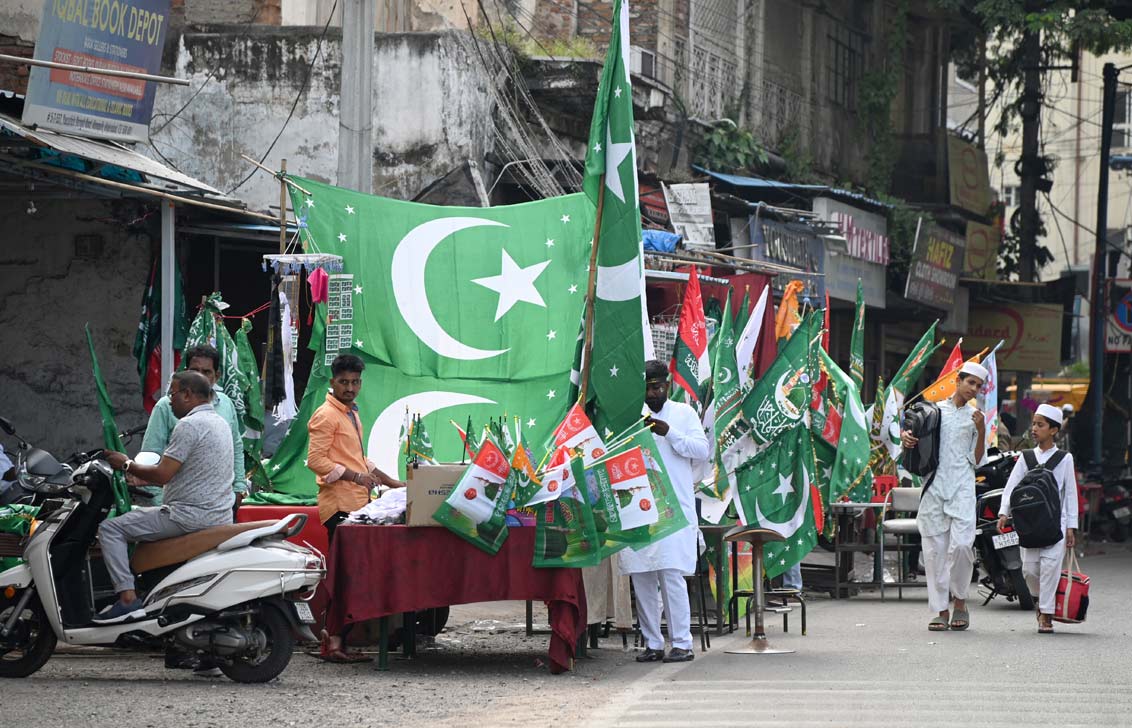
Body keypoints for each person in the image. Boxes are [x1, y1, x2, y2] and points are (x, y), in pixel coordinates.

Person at [97, 371, 235, 623]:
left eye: (172, 394)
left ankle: (127, 599)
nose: (169, 401)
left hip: (188, 516)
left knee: (110, 529)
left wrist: (126, 464)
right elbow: (184, 471)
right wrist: (141, 475)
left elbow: (162, 474)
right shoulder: (219, 422)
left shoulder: (190, 425)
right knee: (138, 517)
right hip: (217, 514)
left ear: (187, 394)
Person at [306, 354, 404, 663]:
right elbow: (316, 461)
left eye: (355, 382)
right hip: (338, 506)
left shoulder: (350, 413)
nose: (350, 387)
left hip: (356, 503)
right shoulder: (326, 415)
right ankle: (334, 642)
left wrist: (391, 481)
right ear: (332, 382)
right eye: (344, 382)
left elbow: (357, 458)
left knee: (352, 575)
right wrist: (355, 477)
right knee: (345, 576)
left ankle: (336, 640)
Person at [619, 360, 710, 663]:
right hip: (640, 508)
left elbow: (702, 451)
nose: (652, 393)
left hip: (674, 509)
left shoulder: (683, 414)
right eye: (647, 388)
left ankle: (682, 642)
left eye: (657, 387)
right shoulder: (632, 416)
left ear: (667, 385)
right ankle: (653, 643)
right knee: (642, 576)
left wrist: (669, 433)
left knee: (671, 576)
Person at [901, 361, 986, 632]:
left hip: (962, 487)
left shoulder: (977, 417)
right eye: (970, 382)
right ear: (958, 381)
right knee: (935, 553)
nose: (973, 389)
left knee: (962, 546)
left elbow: (978, 458)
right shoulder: (933, 411)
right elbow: (913, 438)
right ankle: (940, 610)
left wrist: (982, 430)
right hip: (934, 487)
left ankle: (960, 602)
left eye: (978, 385)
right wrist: (906, 438)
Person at [997, 403, 1078, 634]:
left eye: (1040, 425)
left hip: (1056, 524)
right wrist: (1004, 512)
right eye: (1033, 424)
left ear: (1053, 430)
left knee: (1051, 567)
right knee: (1030, 570)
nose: (1034, 429)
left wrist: (1071, 526)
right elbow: (1011, 487)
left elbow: (1070, 493)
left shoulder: (1065, 459)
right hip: (1030, 524)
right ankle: (1039, 600)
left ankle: (1046, 614)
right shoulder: (1026, 457)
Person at [136, 345, 247, 511]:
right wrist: (160, 503)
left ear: (216, 376)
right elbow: (152, 454)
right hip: (178, 507)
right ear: (186, 372)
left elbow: (236, 448)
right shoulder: (167, 406)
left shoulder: (226, 404)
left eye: (206, 372)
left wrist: (238, 488)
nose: (200, 377)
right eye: (195, 370)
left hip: (220, 506)